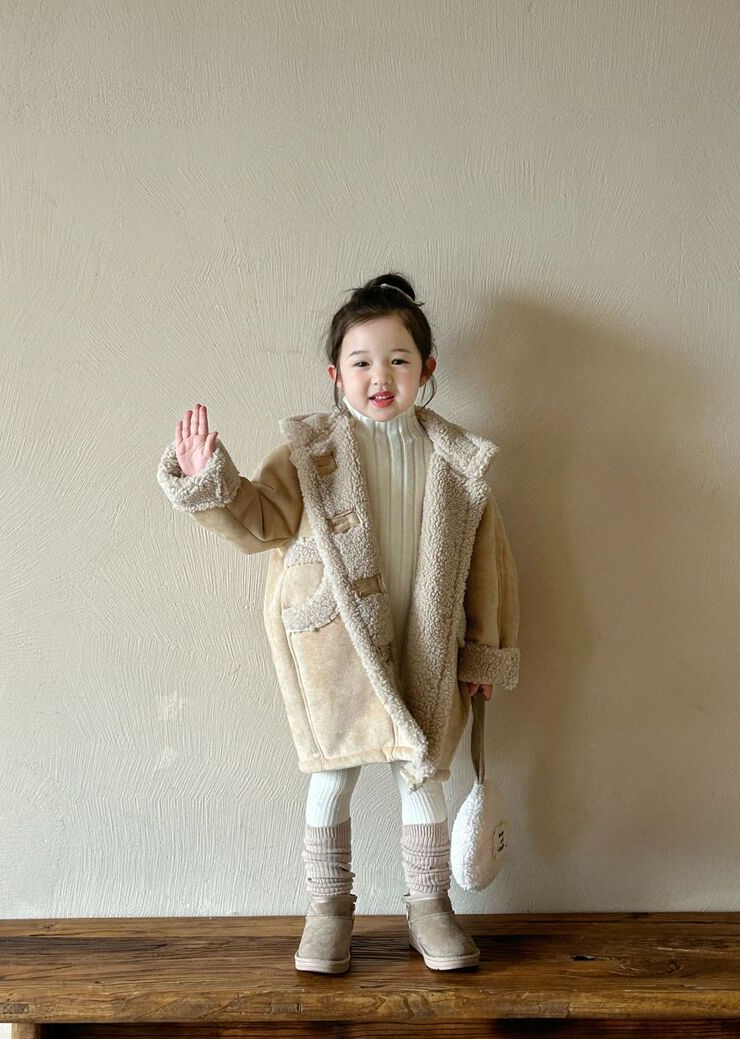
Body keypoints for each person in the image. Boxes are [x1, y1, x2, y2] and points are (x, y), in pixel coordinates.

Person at [156, 273, 520, 974]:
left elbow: (489, 566)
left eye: (398, 360)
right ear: (335, 374)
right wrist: (211, 480)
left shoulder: (459, 463)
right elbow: (260, 521)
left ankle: (429, 906)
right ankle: (328, 911)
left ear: (426, 370)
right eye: (361, 362)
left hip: (426, 646)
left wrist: (484, 654)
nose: (380, 377)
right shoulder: (308, 453)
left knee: (423, 773)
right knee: (332, 776)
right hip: (338, 649)